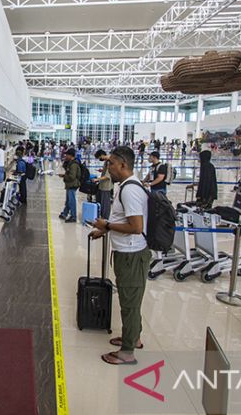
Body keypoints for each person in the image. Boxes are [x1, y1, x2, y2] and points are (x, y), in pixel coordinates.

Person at [89, 146, 149, 365]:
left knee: (129, 304)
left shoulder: (130, 190)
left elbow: (135, 226)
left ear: (123, 164)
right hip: (127, 252)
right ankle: (134, 337)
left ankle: (127, 352)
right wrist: (104, 230)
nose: (108, 167)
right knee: (131, 300)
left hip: (132, 256)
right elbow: (126, 221)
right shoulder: (125, 186)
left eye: (111, 163)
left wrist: (107, 224)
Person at [59, 148, 80, 223]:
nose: (65, 156)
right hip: (70, 184)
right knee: (68, 201)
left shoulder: (74, 164)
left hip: (72, 184)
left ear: (71, 155)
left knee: (71, 201)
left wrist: (64, 176)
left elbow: (72, 176)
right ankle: (65, 213)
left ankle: (73, 217)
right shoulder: (70, 163)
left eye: (67, 155)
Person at [94, 149, 113, 219]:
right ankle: (102, 216)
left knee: (105, 203)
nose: (99, 159)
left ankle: (105, 218)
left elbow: (107, 176)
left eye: (99, 158)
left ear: (101, 155)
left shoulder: (110, 162)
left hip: (106, 186)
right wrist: (102, 170)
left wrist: (97, 179)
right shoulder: (107, 161)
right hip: (103, 185)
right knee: (102, 201)